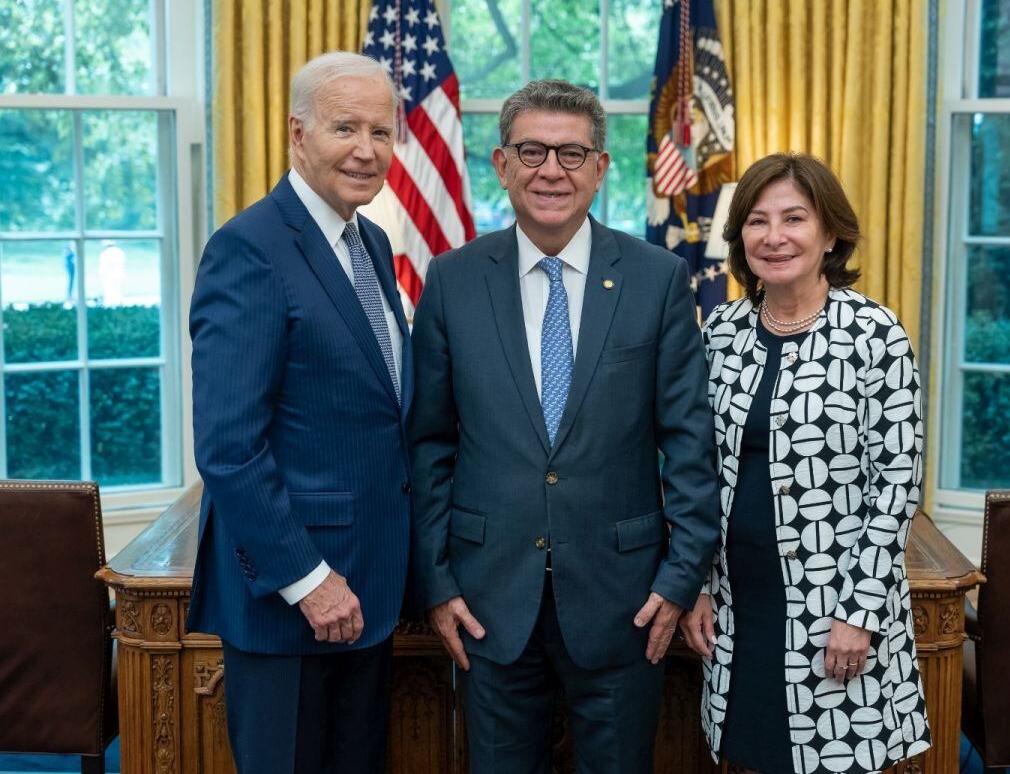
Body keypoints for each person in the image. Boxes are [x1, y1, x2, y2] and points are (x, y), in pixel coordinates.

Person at [409, 78, 720, 774]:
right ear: (501, 163)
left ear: (602, 167)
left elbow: (691, 446)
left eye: (573, 153)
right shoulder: (452, 280)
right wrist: (436, 582)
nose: (552, 169)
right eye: (533, 150)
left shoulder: (657, 278)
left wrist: (678, 580)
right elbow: (428, 443)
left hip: (626, 602)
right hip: (487, 601)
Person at [187, 51, 413, 774]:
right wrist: (309, 580)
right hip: (292, 602)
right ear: (298, 132)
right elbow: (228, 447)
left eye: (381, 132)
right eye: (345, 127)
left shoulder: (368, 240)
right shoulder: (248, 249)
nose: (365, 149)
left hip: (367, 594)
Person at [682, 152, 931, 773]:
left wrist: (859, 613)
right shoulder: (721, 332)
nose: (774, 237)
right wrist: (698, 586)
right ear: (739, 236)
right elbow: (696, 468)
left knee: (834, 762)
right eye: (757, 221)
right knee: (751, 754)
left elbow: (896, 483)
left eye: (794, 218)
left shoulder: (874, 334)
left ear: (829, 233)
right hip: (740, 606)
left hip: (836, 612)